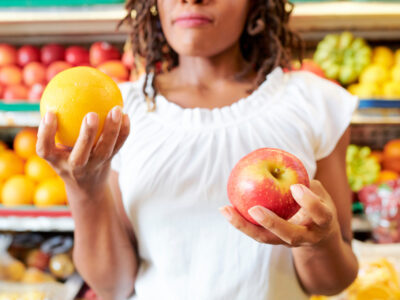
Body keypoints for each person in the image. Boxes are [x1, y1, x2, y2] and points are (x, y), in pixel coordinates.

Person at [37, 0, 359, 299]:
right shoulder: (118, 113)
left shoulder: (316, 104)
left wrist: (321, 240)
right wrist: (86, 190)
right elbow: (114, 286)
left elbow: (332, 282)